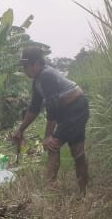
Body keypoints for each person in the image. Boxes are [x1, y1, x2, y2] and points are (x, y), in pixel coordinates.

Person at [9, 46, 90, 194]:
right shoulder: (37, 81)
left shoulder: (46, 75)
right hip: (70, 111)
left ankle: (49, 188)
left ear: (37, 64)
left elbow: (52, 106)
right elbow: (34, 108)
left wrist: (48, 135)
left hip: (75, 109)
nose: (25, 70)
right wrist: (20, 130)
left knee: (52, 146)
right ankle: (82, 192)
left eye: (26, 66)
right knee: (77, 152)